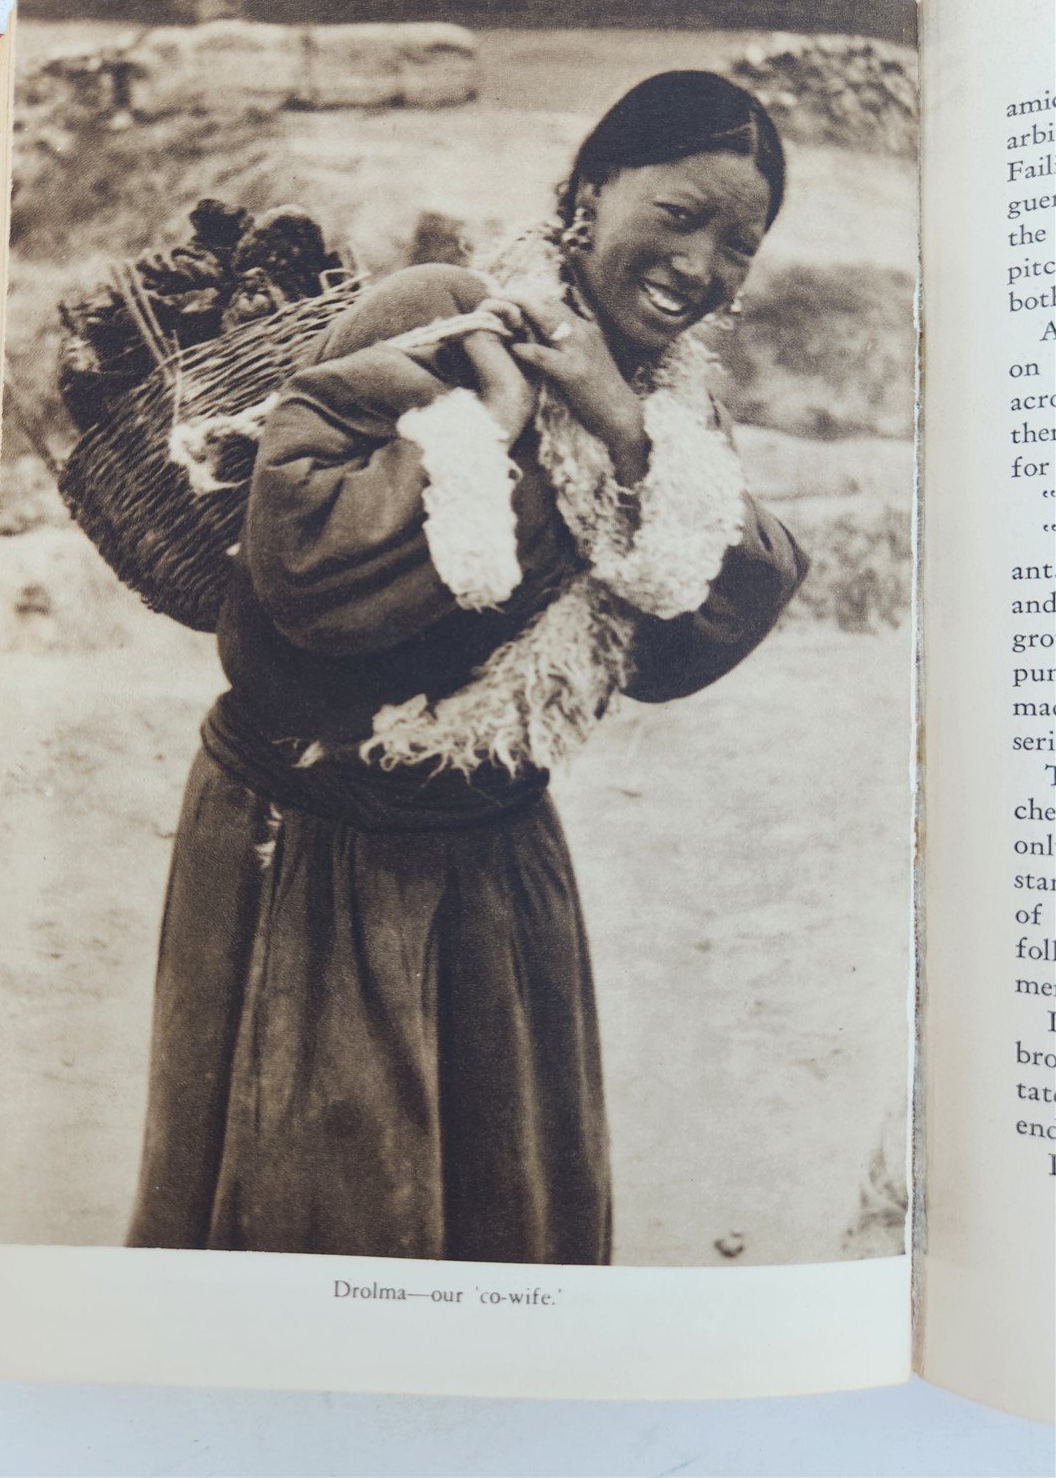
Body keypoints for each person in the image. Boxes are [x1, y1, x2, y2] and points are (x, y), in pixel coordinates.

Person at [127, 71, 809, 1265]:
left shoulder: (670, 412)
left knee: (508, 1220)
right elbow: (297, 569)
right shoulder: (446, 312)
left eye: (737, 244)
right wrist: (493, 421)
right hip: (312, 840)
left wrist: (619, 425)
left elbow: (683, 643)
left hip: (492, 855)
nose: (700, 265)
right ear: (592, 189)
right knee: (322, 1219)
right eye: (680, 214)